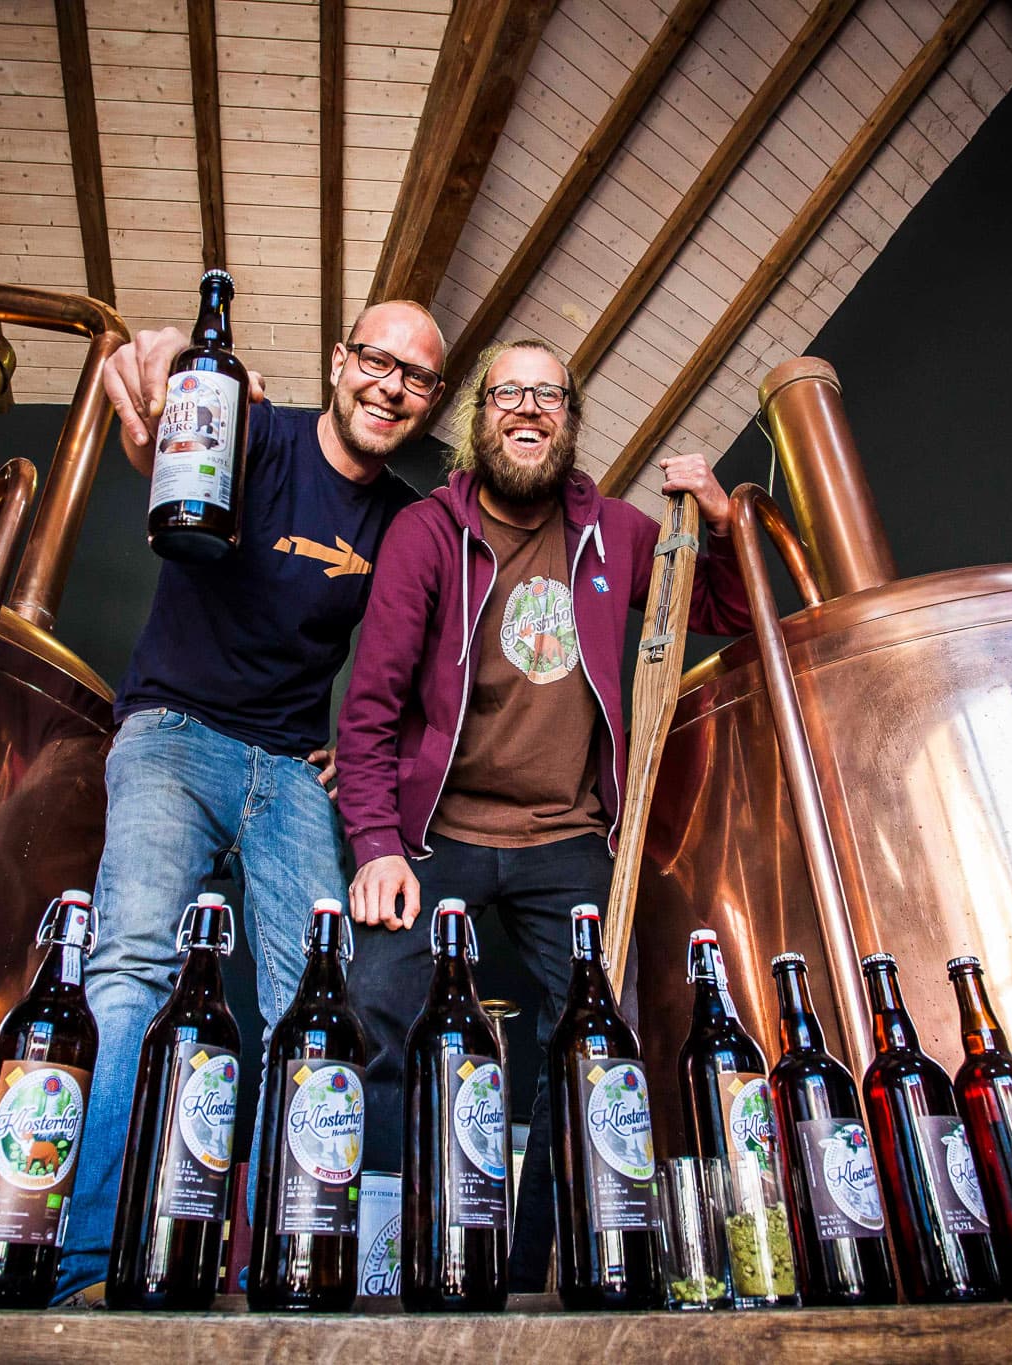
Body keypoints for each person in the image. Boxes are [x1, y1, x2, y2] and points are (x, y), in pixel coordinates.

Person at [334, 338, 751, 1287]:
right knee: (375, 1010)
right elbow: (370, 710)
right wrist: (376, 846)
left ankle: (531, 1270)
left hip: (567, 836)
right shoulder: (428, 533)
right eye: (509, 392)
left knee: (598, 1043)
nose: (529, 408)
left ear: (569, 417)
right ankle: (379, 1256)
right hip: (437, 835)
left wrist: (722, 523)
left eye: (549, 395)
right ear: (480, 416)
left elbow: (719, 600)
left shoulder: (621, 533)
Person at [54, 302, 448, 1304]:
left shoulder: (406, 518)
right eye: (374, 361)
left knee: (318, 1003)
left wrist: (365, 762)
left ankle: (285, 1264)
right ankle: (88, 1268)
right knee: (132, 966)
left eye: (414, 376)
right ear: (338, 361)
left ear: (428, 400)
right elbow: (165, 425)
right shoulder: (256, 433)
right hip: (171, 736)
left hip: (285, 769)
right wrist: (160, 369)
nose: (389, 385)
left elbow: (421, 668)